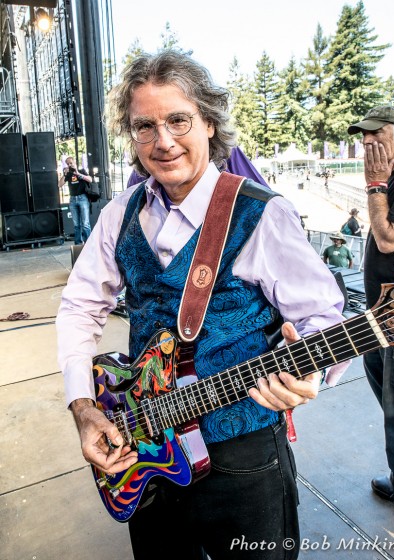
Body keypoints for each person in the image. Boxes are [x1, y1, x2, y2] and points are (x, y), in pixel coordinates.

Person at [56, 50, 347, 560]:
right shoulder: (119, 214)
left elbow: (324, 318)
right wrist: (83, 405)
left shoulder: (262, 213)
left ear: (209, 123)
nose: (163, 142)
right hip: (144, 449)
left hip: (242, 460)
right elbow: (80, 307)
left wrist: (311, 376)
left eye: (178, 120)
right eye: (145, 126)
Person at [348, 104, 394, 502]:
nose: (368, 143)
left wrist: (374, 185)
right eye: (364, 137)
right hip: (379, 317)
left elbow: (388, 238)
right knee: (389, 394)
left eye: (378, 135)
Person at [58, 156, 92, 245]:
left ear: (75, 162)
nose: (70, 165)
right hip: (73, 199)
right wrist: (65, 174)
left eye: (71, 163)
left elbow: (90, 179)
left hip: (82, 198)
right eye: (68, 164)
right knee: (76, 224)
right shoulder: (68, 174)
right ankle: (78, 243)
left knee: (85, 223)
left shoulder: (81, 171)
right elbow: (60, 185)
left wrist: (78, 173)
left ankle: (89, 243)